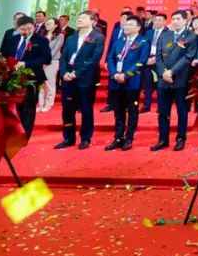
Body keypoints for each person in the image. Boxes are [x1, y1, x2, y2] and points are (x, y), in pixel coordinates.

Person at [55, 11, 105, 150]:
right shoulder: (71, 37)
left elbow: (95, 59)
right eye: (79, 18)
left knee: (86, 109)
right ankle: (68, 138)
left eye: (83, 18)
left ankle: (85, 138)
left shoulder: (98, 37)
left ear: (92, 21)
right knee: (67, 110)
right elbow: (64, 56)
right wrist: (64, 72)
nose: (79, 20)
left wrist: (77, 73)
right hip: (68, 79)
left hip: (85, 80)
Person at [151, 10, 198, 152]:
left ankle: (180, 138)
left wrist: (172, 71)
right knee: (163, 111)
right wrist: (164, 72)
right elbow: (158, 56)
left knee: (182, 111)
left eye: (178, 19)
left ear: (185, 20)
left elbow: (188, 57)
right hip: (164, 79)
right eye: (173, 19)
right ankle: (163, 139)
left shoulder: (192, 36)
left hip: (181, 79)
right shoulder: (165, 35)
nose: (175, 21)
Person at [0, 15, 49, 139]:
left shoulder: (41, 40)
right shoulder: (12, 39)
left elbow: (46, 58)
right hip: (11, 77)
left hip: (31, 77)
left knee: (28, 107)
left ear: (34, 27)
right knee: (12, 105)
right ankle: (12, 132)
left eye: (30, 28)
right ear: (17, 28)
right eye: (23, 29)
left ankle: (24, 135)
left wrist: (25, 64)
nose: (27, 31)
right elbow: (4, 55)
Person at [105, 15, 148, 151]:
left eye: (130, 24)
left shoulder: (143, 41)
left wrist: (126, 74)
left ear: (138, 27)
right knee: (118, 111)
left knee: (132, 111)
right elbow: (110, 58)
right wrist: (114, 74)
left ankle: (129, 138)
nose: (126, 27)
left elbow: (142, 61)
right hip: (116, 80)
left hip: (132, 81)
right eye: (126, 24)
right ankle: (118, 138)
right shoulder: (119, 40)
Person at [140, 13, 167, 113]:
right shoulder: (149, 32)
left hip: (160, 62)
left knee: (160, 86)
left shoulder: (169, 33)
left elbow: (168, 49)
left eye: (160, 20)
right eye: (156, 20)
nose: (157, 22)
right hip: (148, 62)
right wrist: (146, 58)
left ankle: (161, 107)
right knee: (147, 85)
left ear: (165, 22)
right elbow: (144, 46)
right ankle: (146, 106)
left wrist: (156, 58)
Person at [39, 18, 64, 112]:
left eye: (50, 23)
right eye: (47, 23)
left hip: (52, 61)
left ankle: (48, 103)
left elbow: (56, 49)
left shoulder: (60, 36)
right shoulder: (42, 34)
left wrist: (46, 60)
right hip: (40, 61)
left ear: (56, 25)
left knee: (50, 83)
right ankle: (41, 103)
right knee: (41, 83)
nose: (47, 24)